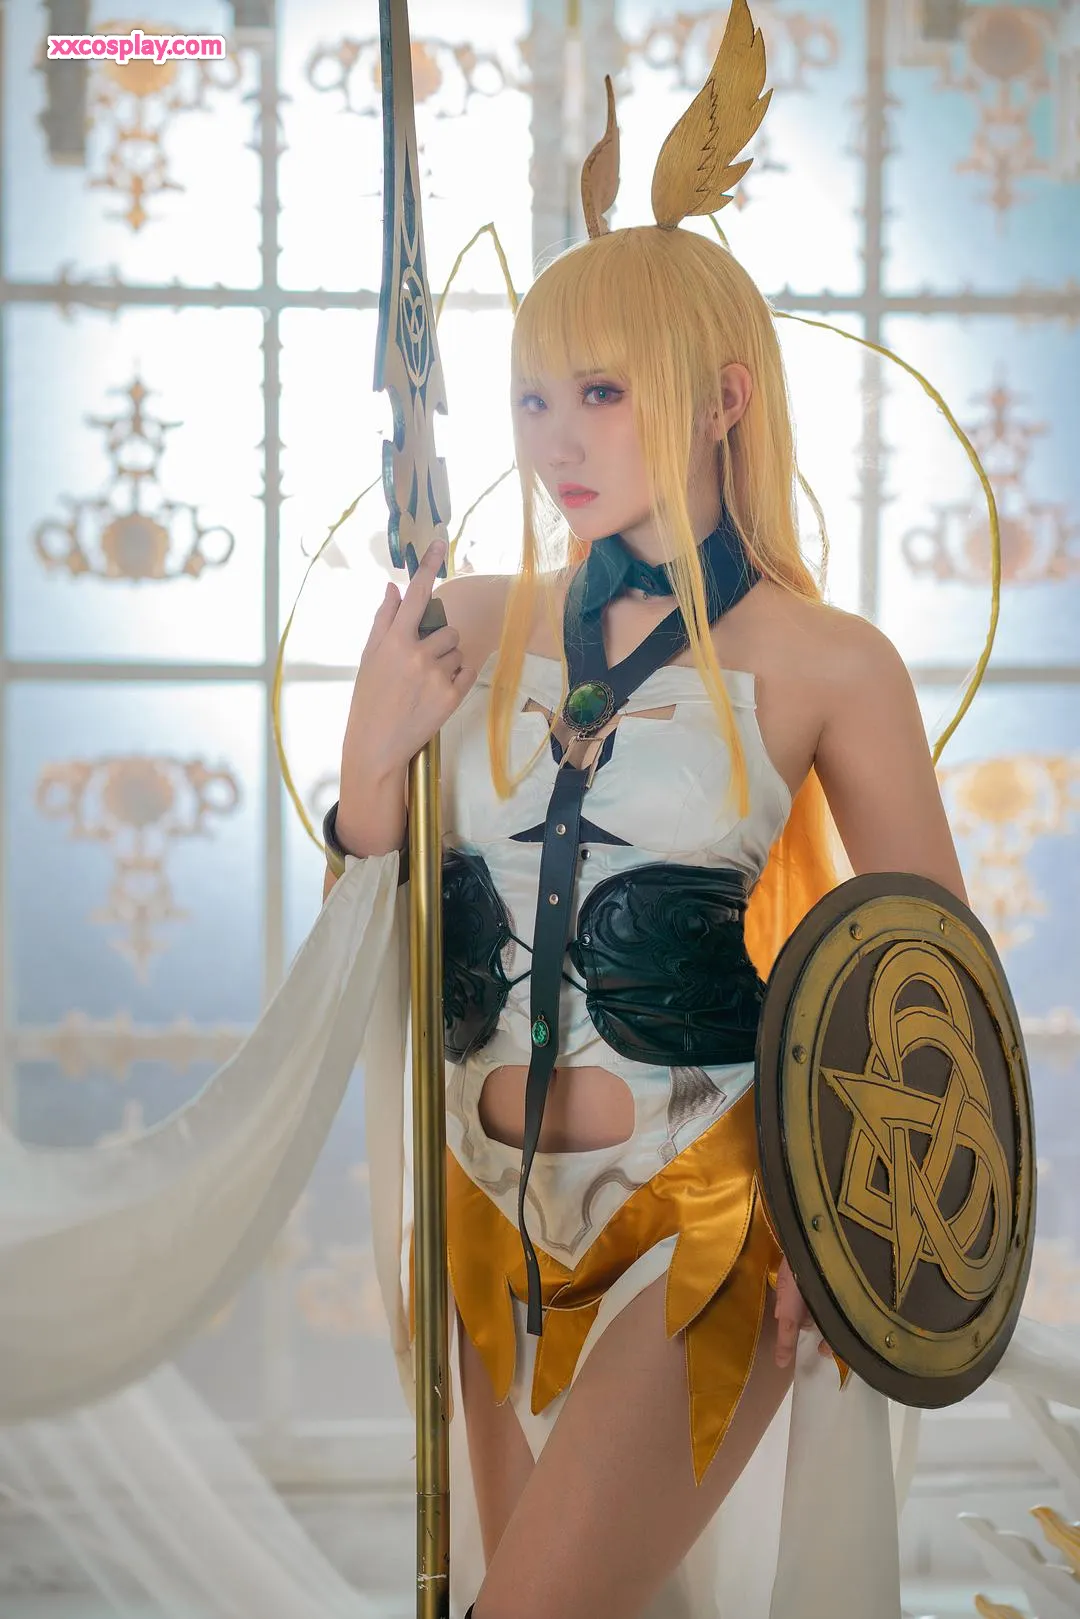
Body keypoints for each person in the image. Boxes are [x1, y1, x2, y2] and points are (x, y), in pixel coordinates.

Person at [323, 216, 968, 1618]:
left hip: (710, 1212)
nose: (556, 440)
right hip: (479, 1213)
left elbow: (930, 994)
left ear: (724, 398)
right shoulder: (464, 624)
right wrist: (369, 765)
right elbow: (365, 936)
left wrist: (849, 1231)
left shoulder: (833, 663)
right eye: (531, 398)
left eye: (602, 391)